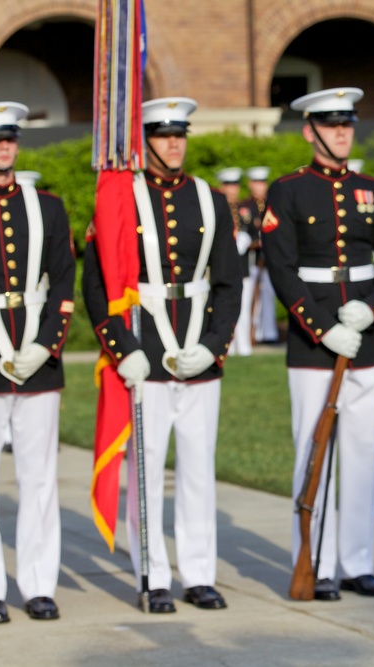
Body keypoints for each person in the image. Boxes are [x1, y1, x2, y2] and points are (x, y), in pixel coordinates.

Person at [83, 96, 242, 613]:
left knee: (198, 469)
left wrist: (214, 345)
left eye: (180, 133)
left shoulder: (210, 199)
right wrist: (121, 348)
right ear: (143, 141)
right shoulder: (118, 200)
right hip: (144, 352)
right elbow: (96, 285)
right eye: (161, 134)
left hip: (198, 350)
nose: (173, 143)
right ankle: (152, 574)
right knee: (145, 470)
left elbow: (228, 282)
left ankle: (198, 573)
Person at [262, 87, 374, 601]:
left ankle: (356, 561)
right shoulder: (288, 190)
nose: (343, 130)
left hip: (366, 341)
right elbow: (280, 268)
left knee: (363, 454)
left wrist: (372, 308)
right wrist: (322, 327)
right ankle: (316, 562)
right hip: (313, 343)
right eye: (331, 123)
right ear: (309, 131)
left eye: (348, 122)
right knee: (314, 450)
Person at [0, 101, 76, 624]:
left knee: (39, 477)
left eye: (11, 139)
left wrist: (47, 344)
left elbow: (63, 284)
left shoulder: (46, 207)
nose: (5, 147)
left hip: (37, 358)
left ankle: (39, 583)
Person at [242, 166, 279, 344]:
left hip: (269, 258)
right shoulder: (245, 207)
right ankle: (249, 334)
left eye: (262, 182)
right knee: (249, 297)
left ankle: (268, 333)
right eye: (257, 182)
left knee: (268, 295)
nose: (260, 186)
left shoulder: (272, 205)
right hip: (252, 259)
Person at [219, 167, 253, 356]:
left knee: (244, 308)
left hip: (242, 268)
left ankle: (244, 345)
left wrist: (244, 239)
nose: (233, 189)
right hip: (224, 268)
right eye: (228, 185)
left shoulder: (243, 210)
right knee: (225, 307)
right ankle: (228, 344)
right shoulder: (219, 208)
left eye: (235, 185)